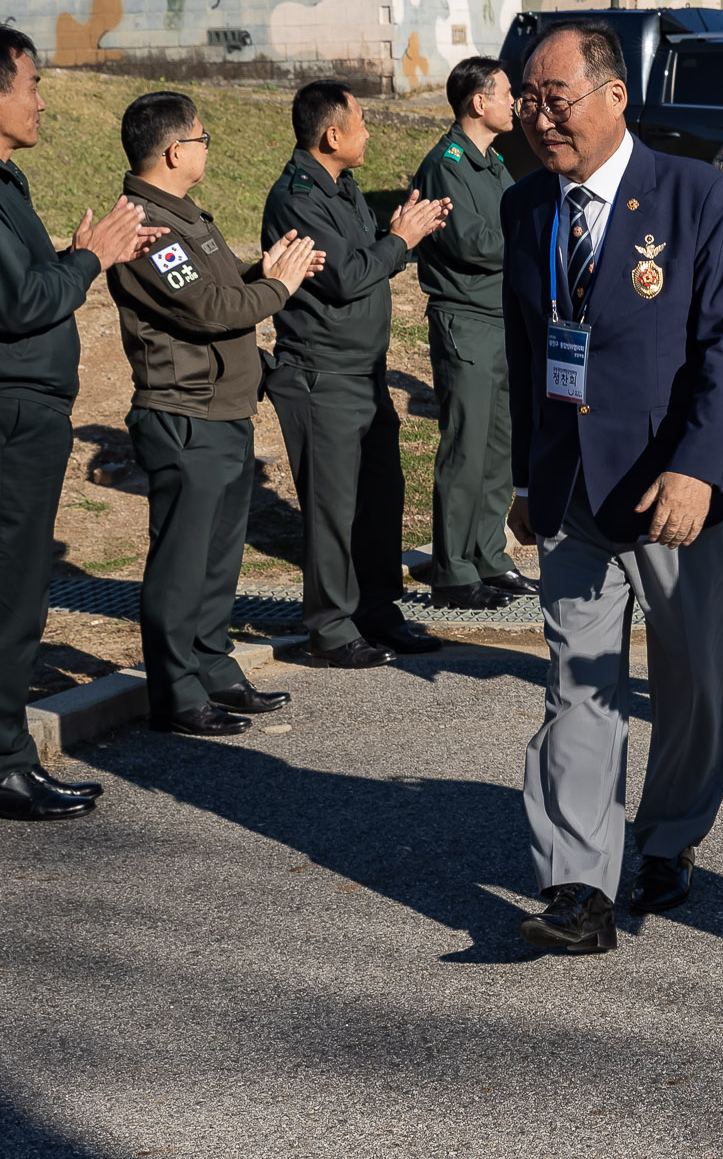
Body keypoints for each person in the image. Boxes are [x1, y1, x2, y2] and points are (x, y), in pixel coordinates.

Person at [501, 21, 723, 955]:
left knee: (689, 683)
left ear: (614, 97)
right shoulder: (527, 207)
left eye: (554, 98)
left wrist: (696, 463)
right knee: (578, 683)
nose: (538, 117)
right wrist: (527, 471)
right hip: (570, 486)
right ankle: (578, 886)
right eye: (529, 100)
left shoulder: (696, 195)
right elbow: (528, 355)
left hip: (669, 484)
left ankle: (672, 836)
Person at [0, 23, 158, 822]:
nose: (41, 99)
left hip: (26, 410)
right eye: (30, 84)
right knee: (11, 595)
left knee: (20, 591)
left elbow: (22, 282)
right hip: (4, 413)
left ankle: (6, 754)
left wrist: (78, 252)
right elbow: (20, 304)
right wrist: (92, 259)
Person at [111, 93, 324, 731]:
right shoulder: (145, 226)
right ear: (176, 151)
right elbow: (209, 309)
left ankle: (213, 668)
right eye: (202, 139)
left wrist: (268, 269)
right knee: (181, 565)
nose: (207, 147)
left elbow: (227, 287)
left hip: (223, 410)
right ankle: (176, 692)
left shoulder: (186, 217)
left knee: (217, 559)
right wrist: (278, 286)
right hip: (184, 414)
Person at [260, 84, 449, 661]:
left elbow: (366, 258)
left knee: (379, 496)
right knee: (332, 507)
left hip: (364, 372)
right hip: (323, 373)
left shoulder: (341, 188)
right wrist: (400, 239)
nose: (369, 132)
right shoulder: (296, 197)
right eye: (361, 121)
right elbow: (345, 276)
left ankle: (377, 608)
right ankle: (332, 625)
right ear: (332, 135)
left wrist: (393, 236)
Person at [410, 58, 534, 609]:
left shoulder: (491, 163)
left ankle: (488, 554)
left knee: (498, 445)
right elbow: (471, 240)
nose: (516, 103)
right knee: (465, 446)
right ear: (478, 102)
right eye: (507, 94)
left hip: (502, 318)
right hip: (467, 318)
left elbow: (512, 220)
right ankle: (453, 568)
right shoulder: (447, 164)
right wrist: (531, 240)